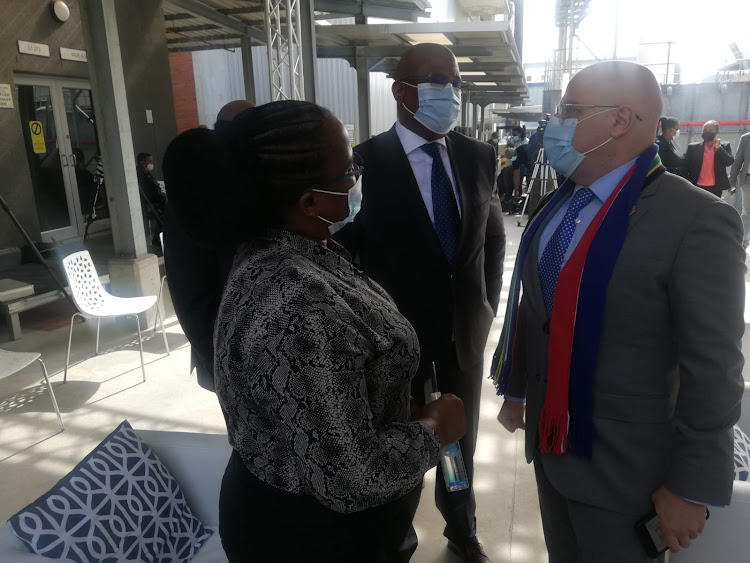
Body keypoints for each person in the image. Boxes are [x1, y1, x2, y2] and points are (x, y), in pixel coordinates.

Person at [165, 100, 468, 563]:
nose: (357, 179)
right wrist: (436, 427)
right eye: (350, 171)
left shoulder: (292, 252)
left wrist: (387, 398)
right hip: (315, 538)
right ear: (310, 202)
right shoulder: (298, 301)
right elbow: (351, 479)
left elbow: (317, 392)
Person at [491, 61, 744, 563]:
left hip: (627, 475)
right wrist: (520, 389)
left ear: (619, 120)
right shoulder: (560, 202)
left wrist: (691, 487)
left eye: (569, 111)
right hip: (551, 449)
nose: (555, 123)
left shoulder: (696, 221)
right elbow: (541, 308)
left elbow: (714, 366)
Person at [335, 43, 505, 563]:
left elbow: (490, 242)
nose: (449, 93)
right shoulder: (362, 163)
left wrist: (484, 306)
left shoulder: (476, 156)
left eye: (454, 83)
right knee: (396, 447)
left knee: (457, 445)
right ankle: (395, 540)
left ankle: (460, 526)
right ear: (402, 91)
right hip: (392, 346)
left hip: (461, 339)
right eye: (436, 81)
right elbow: (344, 257)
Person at [162, 99, 254, 392]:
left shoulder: (247, 183)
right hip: (228, 360)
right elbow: (190, 294)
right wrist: (222, 365)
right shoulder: (192, 194)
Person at [684, 120, 735, 197]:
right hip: (696, 186)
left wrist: (718, 148)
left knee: (714, 208)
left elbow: (729, 162)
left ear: (717, 131)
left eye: (710, 130)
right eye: (705, 130)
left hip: (715, 188)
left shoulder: (724, 146)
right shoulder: (693, 148)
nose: (707, 132)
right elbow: (686, 166)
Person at [136, 152, 166, 247]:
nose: (151, 163)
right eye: (149, 161)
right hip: (150, 204)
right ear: (142, 162)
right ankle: (158, 237)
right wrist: (163, 198)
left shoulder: (147, 174)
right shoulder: (140, 176)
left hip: (157, 201)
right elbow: (149, 194)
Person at [730, 130, 750, 248]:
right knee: (747, 213)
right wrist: (732, 180)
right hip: (748, 180)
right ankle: (743, 242)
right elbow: (738, 160)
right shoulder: (746, 138)